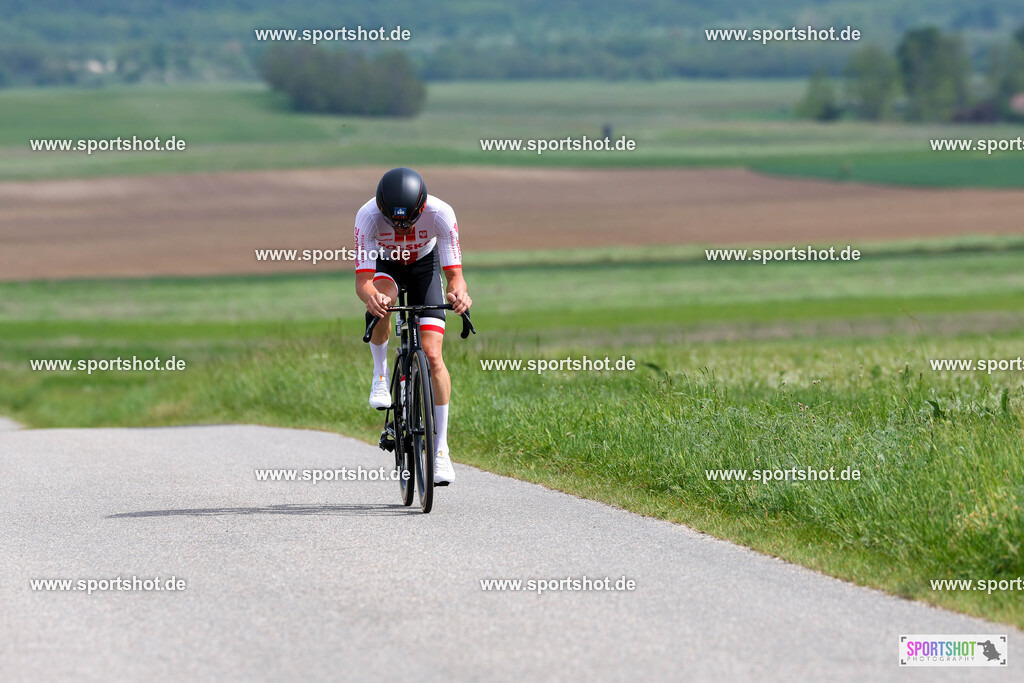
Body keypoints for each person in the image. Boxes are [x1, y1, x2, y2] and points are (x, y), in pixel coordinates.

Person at [354, 167, 472, 485]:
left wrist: (459, 294)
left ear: (422, 208)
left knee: (433, 355)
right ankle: (380, 376)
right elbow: (363, 282)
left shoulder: (441, 213)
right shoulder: (367, 216)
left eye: (408, 221)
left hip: (424, 267)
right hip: (387, 266)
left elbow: (455, 276)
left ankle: (441, 451)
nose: (401, 227)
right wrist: (372, 298)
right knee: (381, 303)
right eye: (394, 221)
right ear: (382, 209)